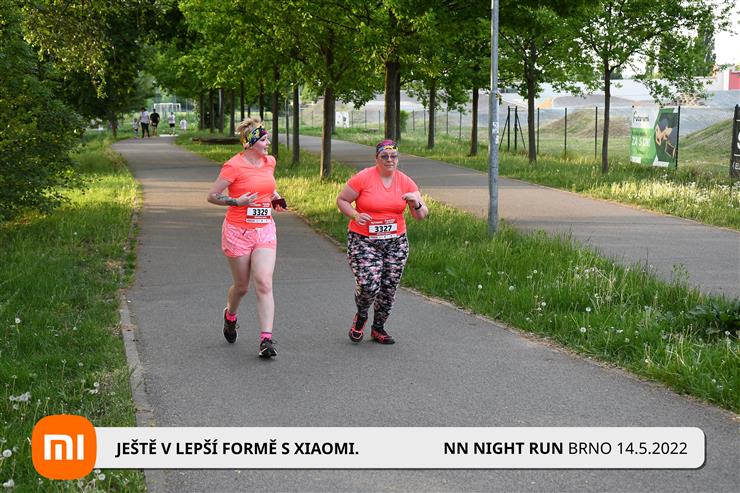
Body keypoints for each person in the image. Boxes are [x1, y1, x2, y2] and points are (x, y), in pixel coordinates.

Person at [206, 117, 287, 359]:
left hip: (264, 229)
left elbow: (268, 187)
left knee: (263, 282)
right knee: (242, 286)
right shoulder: (233, 166)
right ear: (250, 143)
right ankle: (230, 316)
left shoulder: (269, 162)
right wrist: (236, 201)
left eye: (268, 139)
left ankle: (266, 340)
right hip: (238, 232)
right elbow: (212, 196)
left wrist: (275, 197)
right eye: (264, 139)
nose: (268, 143)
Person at [336, 139, 428, 345]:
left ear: (398, 158)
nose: (389, 160)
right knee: (369, 285)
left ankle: (378, 328)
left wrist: (416, 203)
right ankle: (361, 315)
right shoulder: (363, 178)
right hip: (364, 241)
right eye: (384, 156)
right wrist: (355, 215)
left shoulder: (406, 182)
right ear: (376, 158)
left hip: (396, 242)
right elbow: (342, 200)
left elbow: (421, 215)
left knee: (388, 287)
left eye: (393, 156)